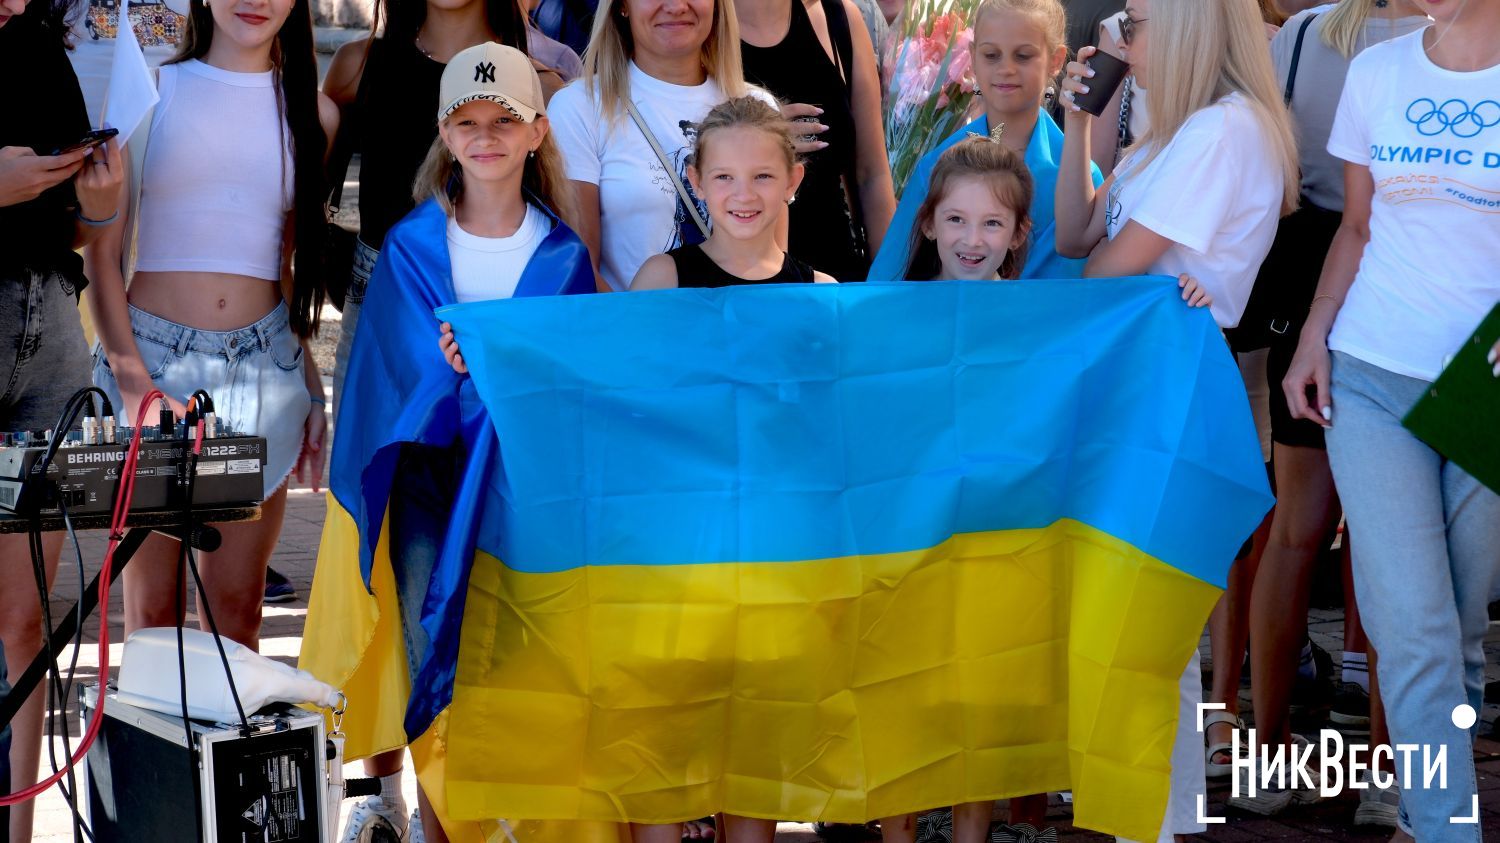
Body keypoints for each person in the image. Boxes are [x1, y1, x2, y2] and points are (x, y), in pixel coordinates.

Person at [1054, 0, 1298, 839]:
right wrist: (1079, 121)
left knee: (1143, 621)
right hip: (1140, 384)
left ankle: (1151, 822)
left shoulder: (1222, 132)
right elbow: (1076, 234)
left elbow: (1103, 278)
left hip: (1167, 387)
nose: (1125, 34)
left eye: (1141, 19)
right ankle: (1155, 821)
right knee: (1146, 627)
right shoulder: (1178, 128)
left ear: (1191, 28)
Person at [83, 0, 336, 740]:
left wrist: (312, 385)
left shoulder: (311, 112)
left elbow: (290, 262)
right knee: (152, 625)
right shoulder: (152, 88)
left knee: (237, 627)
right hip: (155, 367)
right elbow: (102, 254)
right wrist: (133, 385)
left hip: (266, 371)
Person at [1281, 0, 1500, 838]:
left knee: (1458, 630)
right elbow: (1357, 228)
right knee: (1411, 626)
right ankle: (1449, 827)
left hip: (1483, 388)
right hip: (1369, 374)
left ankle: (1426, 811)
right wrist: (1313, 338)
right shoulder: (1377, 71)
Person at [1236, 0, 1428, 826]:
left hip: (1352, 284)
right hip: (1365, 282)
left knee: (1312, 532)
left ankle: (1289, 756)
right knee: (1369, 540)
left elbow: (1277, 170)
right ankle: (1372, 767)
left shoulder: (1313, 33)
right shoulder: (1324, 32)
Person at [0, 0, 124, 837]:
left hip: (51, 326)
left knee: (28, 616)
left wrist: (103, 204)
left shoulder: (43, 45)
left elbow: (79, 231)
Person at [547, 0, 776, 292]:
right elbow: (581, 266)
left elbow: (772, 263)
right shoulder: (579, 106)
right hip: (634, 329)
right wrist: (645, 330)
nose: (677, 6)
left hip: (741, 329)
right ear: (622, 6)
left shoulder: (758, 107)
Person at [869, 0, 1100, 282]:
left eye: (1023, 56)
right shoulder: (938, 164)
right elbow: (891, 278)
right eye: (991, 55)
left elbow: (1088, 286)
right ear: (972, 56)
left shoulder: (1079, 174)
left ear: (1055, 60)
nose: (1006, 68)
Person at [737, 0, 896, 280]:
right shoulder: (701, 25)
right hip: (743, 281)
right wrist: (759, 139)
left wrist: (889, 286)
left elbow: (872, 176)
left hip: (837, 274)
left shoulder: (839, 19)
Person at [629, 95, 836, 290]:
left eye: (762, 176)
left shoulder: (820, 292)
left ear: (791, 181)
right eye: (724, 177)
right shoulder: (661, 280)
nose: (744, 195)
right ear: (697, 182)